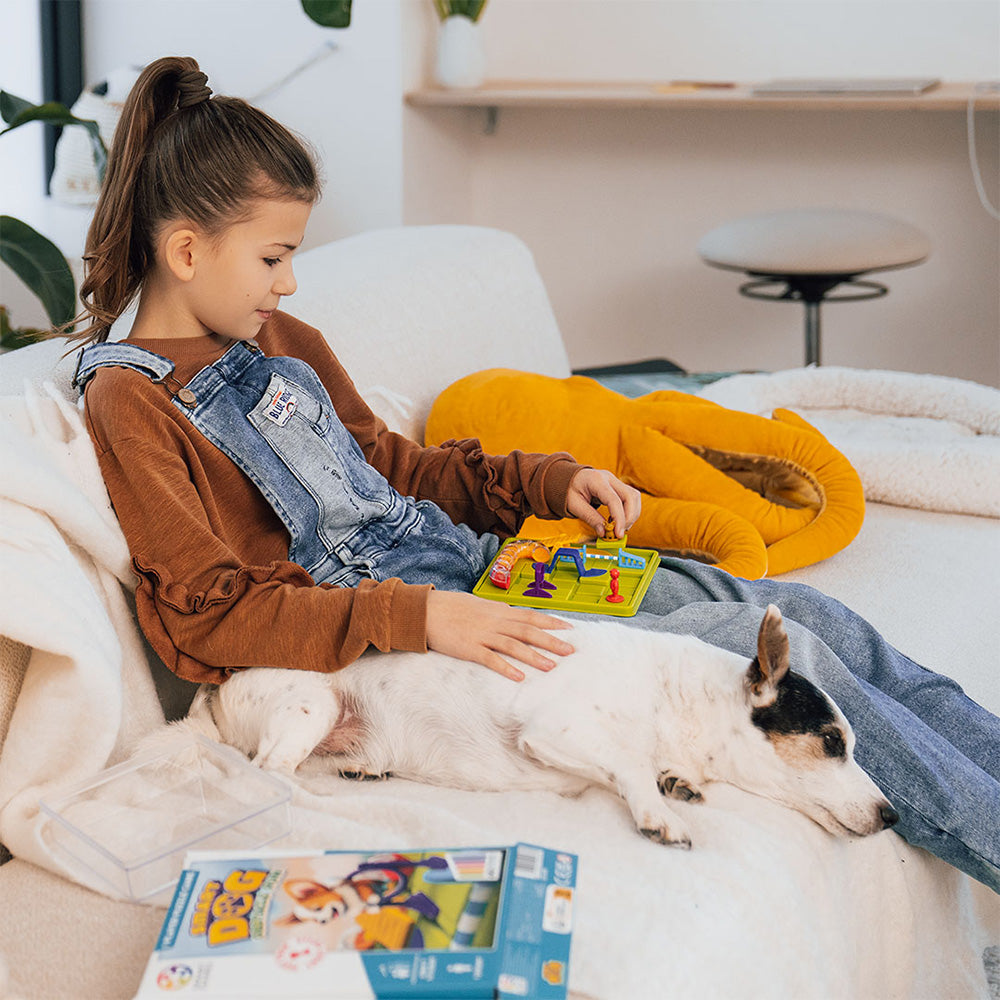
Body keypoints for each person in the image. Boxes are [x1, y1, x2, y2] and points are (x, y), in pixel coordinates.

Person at [69, 57, 998, 892]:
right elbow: (209, 608)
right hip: (431, 629)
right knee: (807, 662)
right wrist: (420, 616)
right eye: (275, 259)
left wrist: (546, 484)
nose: (290, 284)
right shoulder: (130, 401)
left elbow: (394, 467)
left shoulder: (277, 336)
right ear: (186, 251)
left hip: (496, 570)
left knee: (821, 623)